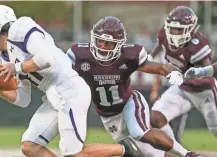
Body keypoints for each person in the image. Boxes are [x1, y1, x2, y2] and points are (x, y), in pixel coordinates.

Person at [0, 5, 144, 157]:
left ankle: (126, 148)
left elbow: (46, 58)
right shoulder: (4, 58)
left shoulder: (20, 28)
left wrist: (17, 68)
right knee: (30, 146)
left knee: (73, 154)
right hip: (54, 98)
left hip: (70, 91)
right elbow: (23, 99)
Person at [66, 16, 201, 157]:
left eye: (108, 43)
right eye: (99, 41)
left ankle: (188, 154)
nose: (102, 46)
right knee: (148, 153)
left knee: (140, 132)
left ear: (118, 45)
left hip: (128, 103)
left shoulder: (128, 56)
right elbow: (59, 72)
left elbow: (161, 67)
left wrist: (174, 72)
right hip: (108, 116)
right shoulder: (79, 55)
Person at [149, 6, 217, 152]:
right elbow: (157, 49)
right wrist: (148, 59)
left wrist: (190, 74)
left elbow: (210, 72)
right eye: (173, 28)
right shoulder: (164, 33)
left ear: (192, 29)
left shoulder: (198, 44)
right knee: (156, 117)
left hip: (204, 91)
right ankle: (180, 152)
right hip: (182, 88)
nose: (175, 33)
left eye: (179, 29)